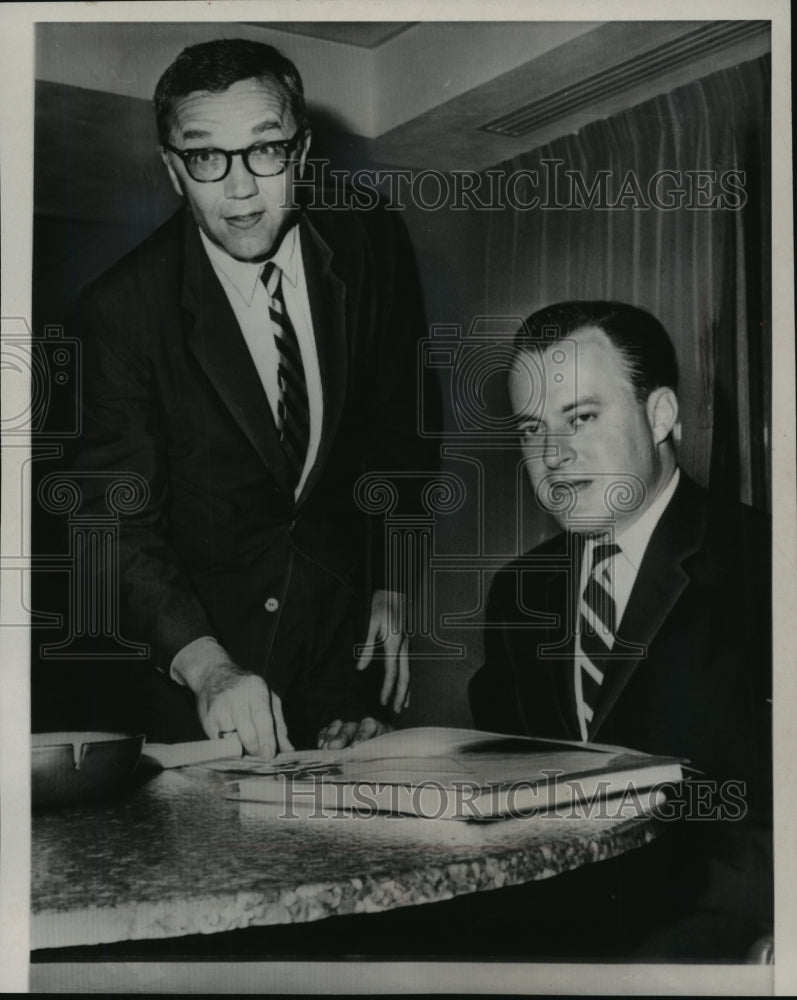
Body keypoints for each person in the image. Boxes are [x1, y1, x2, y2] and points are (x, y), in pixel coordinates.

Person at [73, 39, 440, 758]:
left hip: (341, 658)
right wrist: (207, 669)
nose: (240, 189)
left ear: (299, 151)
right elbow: (114, 526)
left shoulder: (370, 242)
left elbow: (403, 425)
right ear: (173, 170)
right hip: (200, 682)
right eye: (207, 157)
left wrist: (390, 583)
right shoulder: (119, 312)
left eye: (266, 150)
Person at [469, 300, 772, 958]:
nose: (551, 455)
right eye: (530, 430)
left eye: (580, 417)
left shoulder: (769, 566)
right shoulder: (515, 593)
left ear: (659, 414)